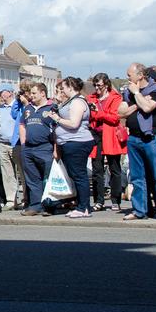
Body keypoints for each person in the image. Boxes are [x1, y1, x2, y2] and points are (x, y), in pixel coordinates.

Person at [119, 63, 156, 221]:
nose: (128, 79)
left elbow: (148, 108)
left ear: (140, 75)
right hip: (134, 138)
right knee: (137, 177)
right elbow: (121, 112)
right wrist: (137, 103)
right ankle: (139, 210)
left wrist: (137, 94)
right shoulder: (128, 92)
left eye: (129, 75)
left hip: (151, 137)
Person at [51, 77, 95, 218]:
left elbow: (74, 123)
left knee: (79, 175)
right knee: (76, 175)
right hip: (69, 142)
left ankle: (83, 208)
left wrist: (57, 119)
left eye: (63, 87)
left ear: (71, 87)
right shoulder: (71, 101)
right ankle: (82, 205)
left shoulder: (77, 102)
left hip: (77, 142)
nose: (62, 90)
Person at [87, 72, 126, 212]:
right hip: (96, 136)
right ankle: (99, 200)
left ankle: (116, 199)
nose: (97, 88)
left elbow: (115, 118)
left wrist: (98, 113)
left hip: (110, 136)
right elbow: (89, 116)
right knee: (97, 168)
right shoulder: (91, 98)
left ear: (107, 84)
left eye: (100, 86)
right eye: (95, 85)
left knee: (114, 167)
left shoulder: (115, 97)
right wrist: (96, 113)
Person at [18, 83, 55, 216]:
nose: (31, 96)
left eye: (34, 93)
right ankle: (35, 205)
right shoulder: (28, 108)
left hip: (45, 147)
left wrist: (56, 148)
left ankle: (49, 206)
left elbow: (56, 129)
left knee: (47, 178)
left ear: (43, 93)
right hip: (28, 148)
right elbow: (22, 125)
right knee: (32, 178)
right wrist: (23, 144)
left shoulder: (52, 107)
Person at [0, 83, 23, 210]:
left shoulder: (18, 107)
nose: (0, 95)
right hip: (3, 143)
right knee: (7, 173)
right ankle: (11, 200)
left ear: (9, 93)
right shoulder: (0, 108)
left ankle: (25, 198)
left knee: (22, 172)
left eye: (2, 92)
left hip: (16, 144)